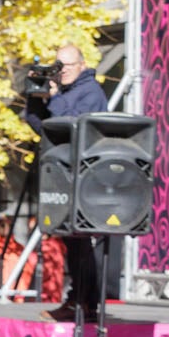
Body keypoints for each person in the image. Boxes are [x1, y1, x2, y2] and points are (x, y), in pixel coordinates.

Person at [26, 44, 110, 321]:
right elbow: (45, 127)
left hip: (84, 177)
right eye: (58, 67)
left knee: (82, 243)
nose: (61, 73)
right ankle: (77, 301)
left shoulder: (90, 92)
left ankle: (85, 304)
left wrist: (53, 97)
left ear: (82, 66)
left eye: (67, 67)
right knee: (73, 243)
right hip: (63, 174)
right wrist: (36, 97)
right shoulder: (64, 92)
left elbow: (71, 125)